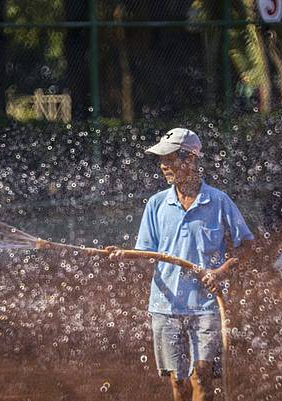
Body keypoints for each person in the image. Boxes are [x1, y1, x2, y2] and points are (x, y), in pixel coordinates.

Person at [108, 128, 254, 401]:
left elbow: (247, 245)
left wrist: (221, 272)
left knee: (202, 381)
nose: (163, 165)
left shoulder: (218, 201)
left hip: (206, 306)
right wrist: (124, 254)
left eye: (170, 158)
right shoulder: (156, 205)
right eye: (162, 159)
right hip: (166, 306)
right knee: (178, 383)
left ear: (190, 159)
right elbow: (146, 253)